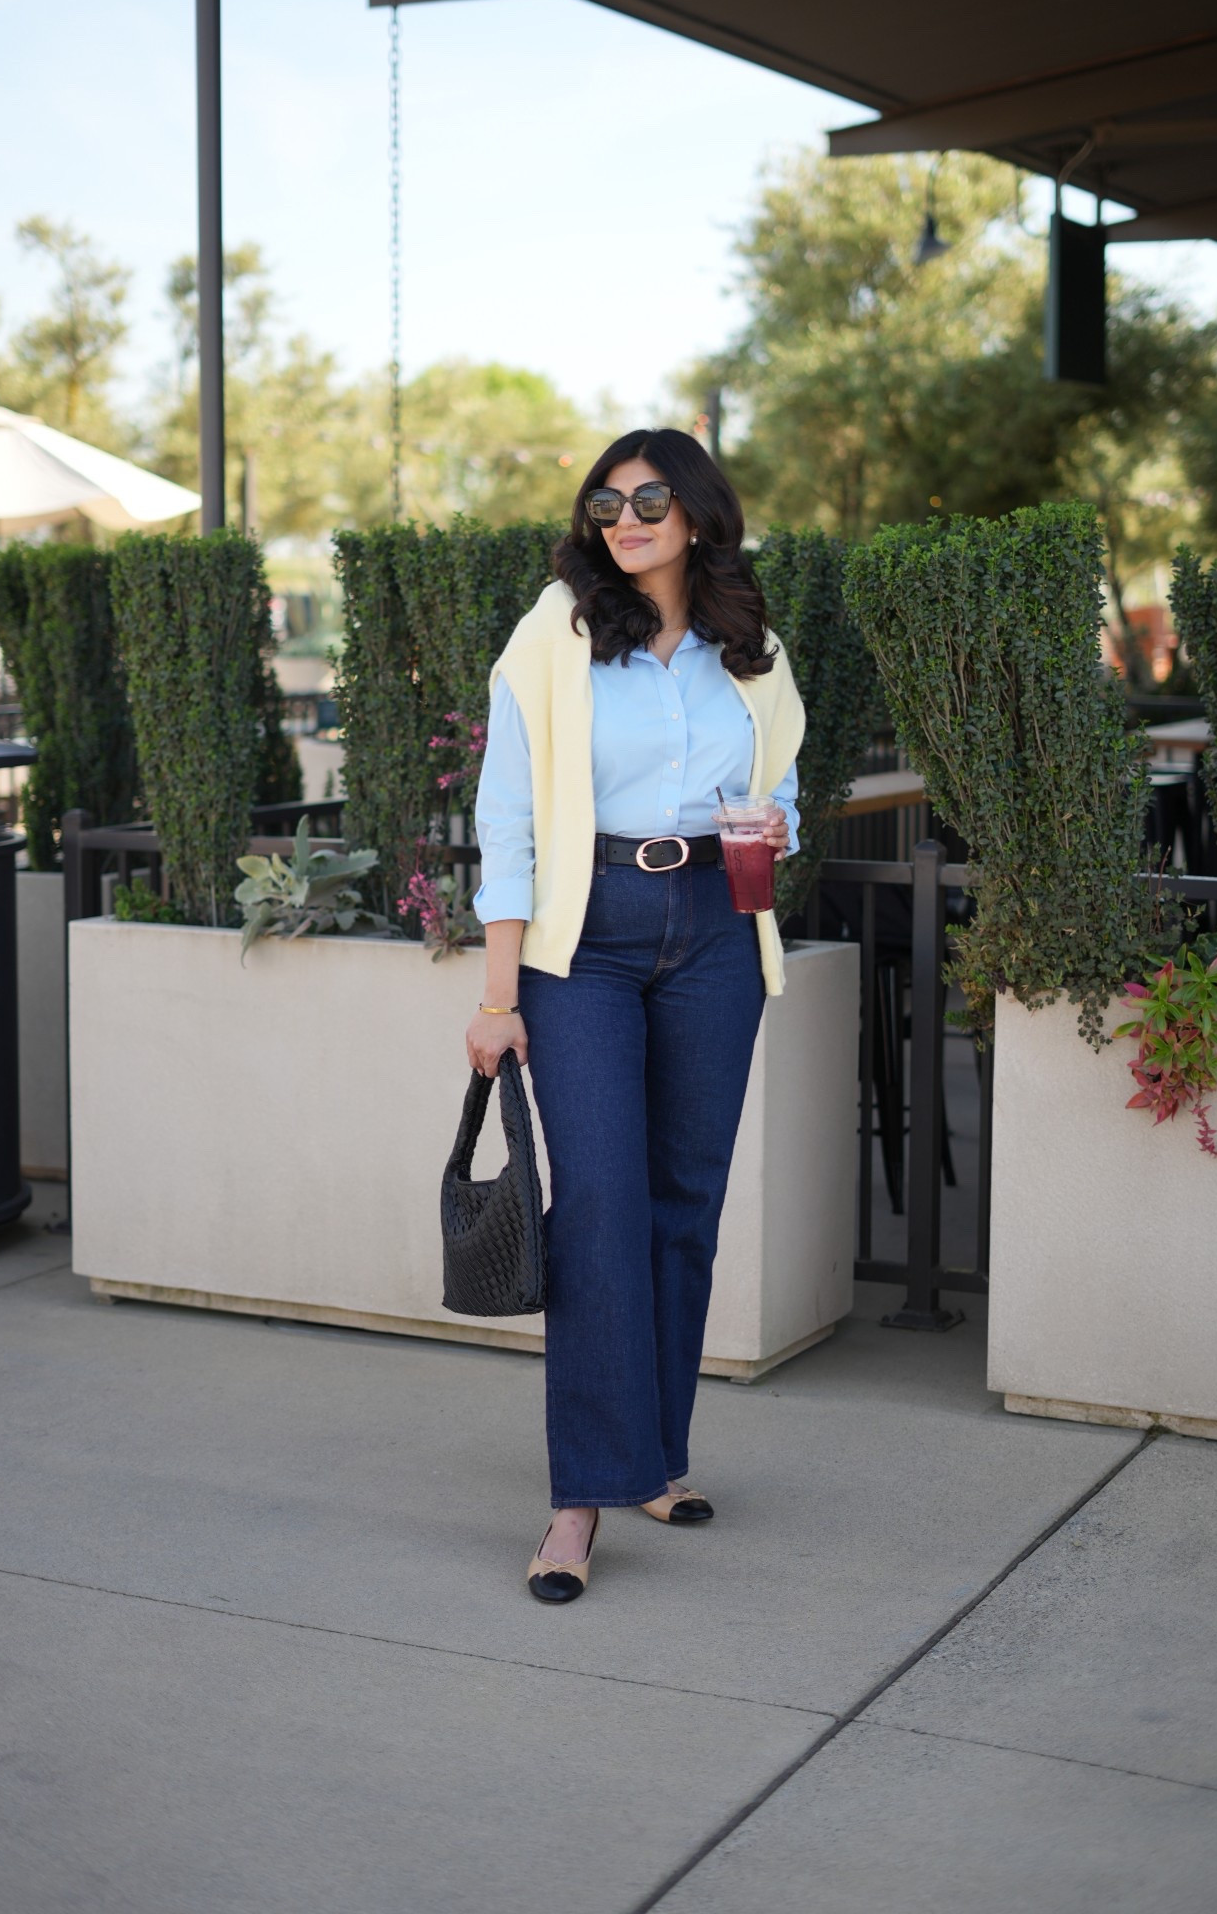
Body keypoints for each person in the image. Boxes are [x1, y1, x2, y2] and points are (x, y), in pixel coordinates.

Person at [466, 428, 805, 1604]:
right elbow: (506, 819)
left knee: (681, 1208)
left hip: (714, 926)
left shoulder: (748, 645)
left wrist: (771, 831)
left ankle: (659, 1457)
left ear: (699, 512)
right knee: (601, 1207)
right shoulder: (554, 633)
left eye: (652, 495)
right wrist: (499, 994)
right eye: (607, 500)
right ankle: (580, 1497)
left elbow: (781, 789)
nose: (628, 515)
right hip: (587, 941)